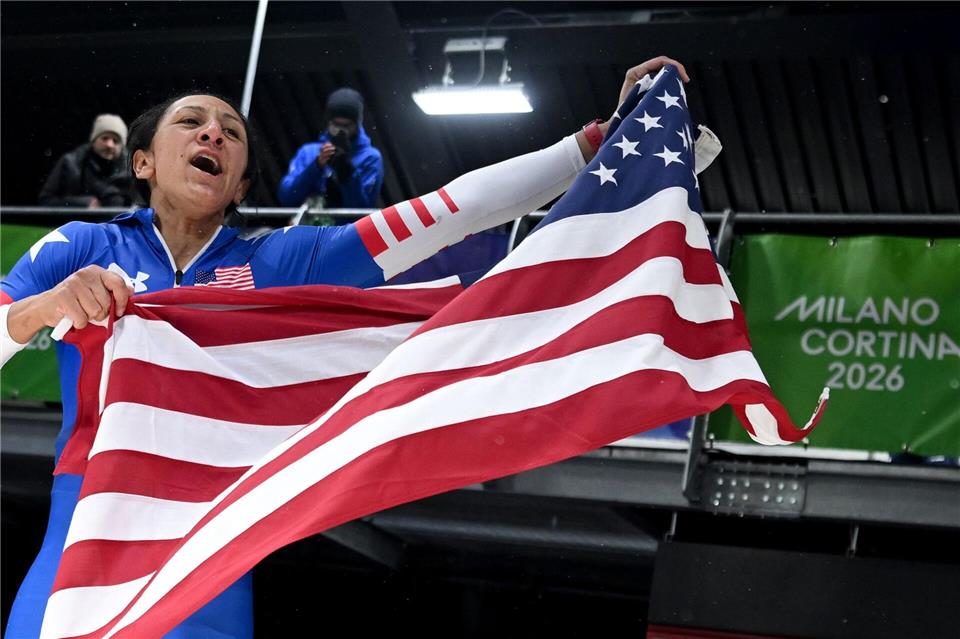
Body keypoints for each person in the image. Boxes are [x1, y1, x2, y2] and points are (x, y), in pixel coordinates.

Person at [1, 56, 715, 637]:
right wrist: (46, 306)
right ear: (144, 163)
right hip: (81, 519)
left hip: (210, 543)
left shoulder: (279, 261)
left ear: (241, 182)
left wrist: (592, 144)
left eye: (231, 132)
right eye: (191, 122)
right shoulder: (82, 245)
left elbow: (447, 213)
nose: (213, 133)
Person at [276, 87, 384, 209]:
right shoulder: (308, 152)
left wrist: (346, 171)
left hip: (346, 222)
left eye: (347, 126)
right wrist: (316, 166)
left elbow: (362, 210)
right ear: (328, 122)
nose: (341, 131)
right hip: (309, 221)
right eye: (336, 124)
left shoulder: (370, 158)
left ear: (357, 124)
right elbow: (286, 197)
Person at [38, 113, 133, 208]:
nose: (109, 145)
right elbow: (46, 200)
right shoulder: (70, 163)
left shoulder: (132, 170)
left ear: (121, 147)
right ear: (94, 140)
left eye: (115, 141)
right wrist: (82, 204)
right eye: (105, 138)